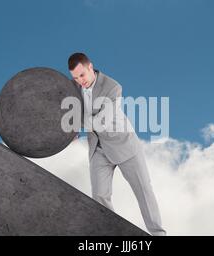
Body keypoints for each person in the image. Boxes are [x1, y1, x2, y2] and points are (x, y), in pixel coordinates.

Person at [68, 52, 166, 236]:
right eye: (75, 77)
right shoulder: (74, 87)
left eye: (82, 75)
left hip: (124, 145)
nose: (80, 81)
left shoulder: (113, 88)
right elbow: (71, 108)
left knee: (143, 190)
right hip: (98, 148)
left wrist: (74, 122)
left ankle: (158, 233)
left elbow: (99, 122)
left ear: (91, 67)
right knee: (99, 196)